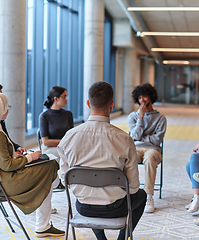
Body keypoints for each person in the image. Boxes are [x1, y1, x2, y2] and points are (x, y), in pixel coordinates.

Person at [58, 81, 146, 240]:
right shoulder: (124, 139)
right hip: (116, 208)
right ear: (112, 105)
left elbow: (65, 181)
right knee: (142, 195)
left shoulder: (68, 137)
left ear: (88, 104)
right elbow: (133, 187)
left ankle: (101, 238)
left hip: (84, 207)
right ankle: (122, 238)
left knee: (88, 194)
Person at [0, 92, 65, 238]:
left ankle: (45, 215)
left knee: (48, 169)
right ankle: (43, 224)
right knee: (50, 166)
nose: (7, 110)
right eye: (5, 107)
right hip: (1, 182)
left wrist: (13, 154)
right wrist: (30, 158)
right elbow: (8, 166)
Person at [128, 83, 167, 213]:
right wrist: (141, 118)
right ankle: (132, 193)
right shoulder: (133, 117)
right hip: (137, 149)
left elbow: (157, 140)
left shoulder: (161, 118)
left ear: (151, 97)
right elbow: (134, 136)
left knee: (150, 158)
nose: (142, 100)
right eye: (139, 98)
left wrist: (141, 138)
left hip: (153, 150)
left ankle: (148, 196)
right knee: (127, 158)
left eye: (144, 96)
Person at [39, 86, 74, 191]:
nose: (67, 99)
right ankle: (57, 182)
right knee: (63, 156)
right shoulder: (44, 116)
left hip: (66, 147)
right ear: (56, 98)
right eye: (64, 96)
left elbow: (71, 136)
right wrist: (64, 143)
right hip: (51, 148)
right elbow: (46, 141)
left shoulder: (68, 114)